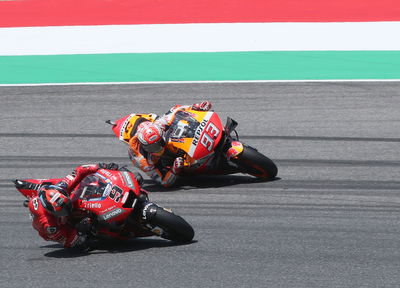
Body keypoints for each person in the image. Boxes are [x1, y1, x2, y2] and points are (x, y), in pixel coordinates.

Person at [14, 162, 119, 250]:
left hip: (48, 193)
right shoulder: (50, 226)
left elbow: (80, 171)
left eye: (67, 206)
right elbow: (67, 241)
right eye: (62, 211)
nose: (68, 210)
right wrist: (80, 231)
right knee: (85, 240)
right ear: (51, 212)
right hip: (53, 227)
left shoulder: (61, 186)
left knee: (81, 185)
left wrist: (100, 166)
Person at [128, 101, 212, 187]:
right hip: (152, 159)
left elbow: (176, 110)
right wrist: (174, 170)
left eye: (159, 142)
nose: (158, 148)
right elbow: (163, 182)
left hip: (153, 128)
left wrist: (196, 107)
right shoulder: (143, 161)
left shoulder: (160, 124)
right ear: (144, 146)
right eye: (152, 147)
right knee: (186, 171)